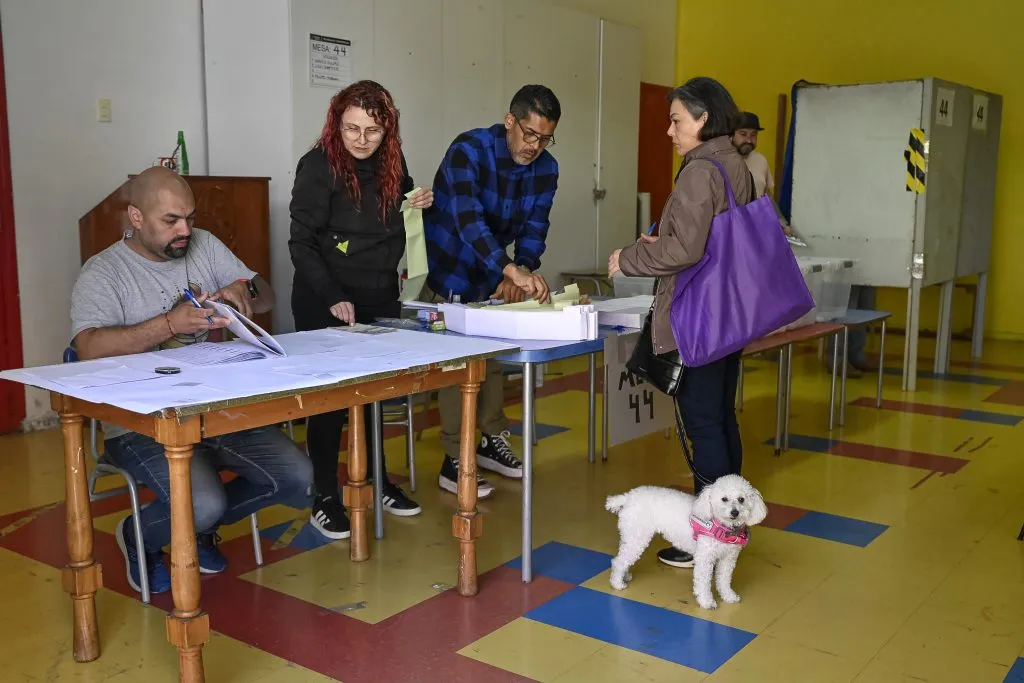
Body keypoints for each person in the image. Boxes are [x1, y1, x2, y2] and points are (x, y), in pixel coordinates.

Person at [70, 166, 313, 595]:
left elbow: (266, 292)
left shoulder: (203, 246)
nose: (185, 231)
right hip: (140, 420)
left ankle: (195, 531)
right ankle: (141, 535)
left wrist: (244, 290)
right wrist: (168, 323)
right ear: (136, 217)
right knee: (203, 503)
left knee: (297, 476)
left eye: (191, 218)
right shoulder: (103, 272)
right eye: (171, 221)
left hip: (216, 405)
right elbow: (87, 347)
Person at [608, 77, 754, 570]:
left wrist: (628, 259)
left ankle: (710, 538)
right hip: (732, 311)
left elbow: (688, 250)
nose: (670, 131)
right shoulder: (736, 164)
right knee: (721, 417)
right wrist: (665, 245)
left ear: (703, 119)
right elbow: (712, 243)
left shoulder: (697, 173)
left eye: (676, 120)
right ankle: (731, 526)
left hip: (701, 316)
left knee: (702, 423)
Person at [289, 80, 432, 539]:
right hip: (324, 296)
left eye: (372, 130)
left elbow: (397, 208)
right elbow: (301, 243)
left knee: (376, 393)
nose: (361, 140)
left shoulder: (392, 162)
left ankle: (378, 480)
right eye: (352, 129)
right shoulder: (317, 166)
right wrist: (332, 295)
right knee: (329, 404)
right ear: (336, 124)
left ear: (388, 129)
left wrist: (419, 201)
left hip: (377, 293)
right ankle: (325, 495)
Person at [423, 84, 560, 498]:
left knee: (494, 358)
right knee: (457, 364)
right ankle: (454, 459)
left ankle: (489, 441)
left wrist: (522, 270)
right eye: (529, 134)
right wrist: (508, 267)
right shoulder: (469, 150)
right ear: (509, 122)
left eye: (545, 137)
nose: (535, 146)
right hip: (449, 270)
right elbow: (468, 221)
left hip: (493, 277)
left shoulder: (547, 168)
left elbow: (536, 228)